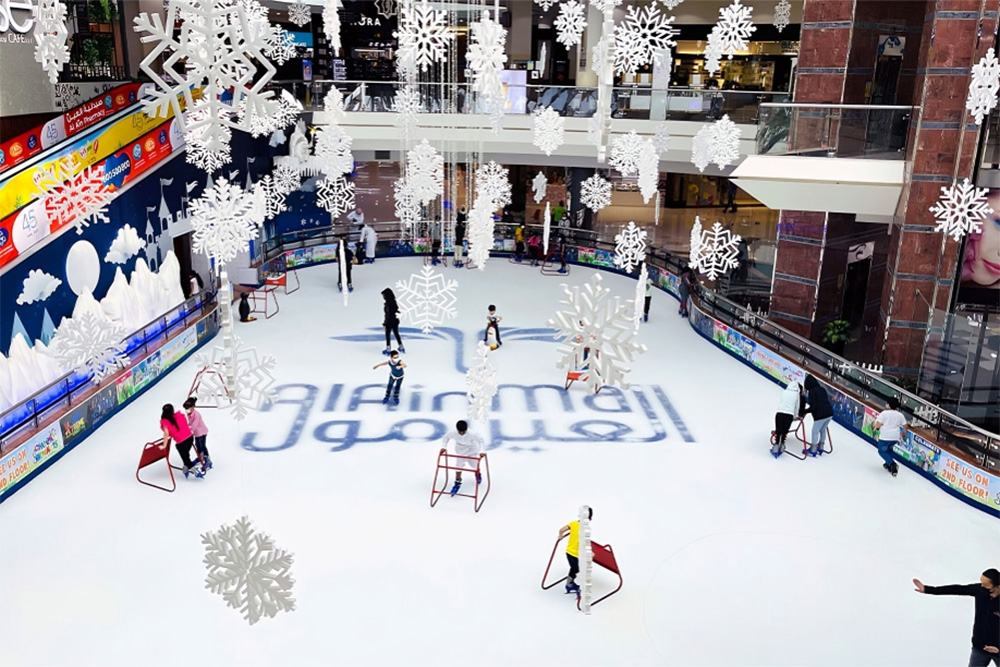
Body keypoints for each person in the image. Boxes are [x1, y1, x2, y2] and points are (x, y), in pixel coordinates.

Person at [913, 569, 1000, 666]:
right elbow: (957, 589)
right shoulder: (979, 590)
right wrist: (928, 589)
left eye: (986, 585)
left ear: (996, 586)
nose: (981, 587)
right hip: (979, 647)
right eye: (981, 583)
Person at [441, 420, 485, 495]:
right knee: (458, 466)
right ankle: (457, 482)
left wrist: (482, 451)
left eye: (463, 431)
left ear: (466, 429)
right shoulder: (453, 433)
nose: (461, 433)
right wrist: (443, 447)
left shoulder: (472, 434)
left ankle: (478, 474)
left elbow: (481, 441)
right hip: (460, 451)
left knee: (474, 465)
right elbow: (445, 438)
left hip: (471, 450)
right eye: (459, 431)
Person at [557, 507, 593, 596]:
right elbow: (586, 542)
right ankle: (569, 584)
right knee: (576, 568)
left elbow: (561, 530)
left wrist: (560, 535)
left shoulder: (574, 524)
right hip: (572, 552)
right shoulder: (585, 529)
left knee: (576, 568)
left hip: (575, 553)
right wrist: (560, 536)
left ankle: (570, 583)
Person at [160, 403, 202, 478]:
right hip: (190, 438)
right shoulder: (180, 416)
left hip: (181, 442)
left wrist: (164, 445)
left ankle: (193, 469)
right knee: (185, 454)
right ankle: (186, 467)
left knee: (184, 455)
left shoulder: (165, 422)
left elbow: (166, 433)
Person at [873, 396, 906, 477]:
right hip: (895, 437)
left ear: (889, 405)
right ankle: (888, 464)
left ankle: (892, 464)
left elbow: (879, 423)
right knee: (889, 450)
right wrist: (904, 432)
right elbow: (905, 424)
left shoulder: (884, 413)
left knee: (882, 451)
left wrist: (875, 428)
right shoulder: (900, 415)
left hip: (885, 437)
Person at [801, 375, 833, 456]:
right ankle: (821, 447)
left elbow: (814, 406)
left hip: (820, 415)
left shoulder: (812, 391)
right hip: (829, 413)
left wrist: (804, 411)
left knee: (815, 431)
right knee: (822, 429)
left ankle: (813, 449)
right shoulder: (822, 389)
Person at [771, 380, 803, 458]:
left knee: (779, 430)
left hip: (780, 412)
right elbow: (796, 406)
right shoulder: (796, 395)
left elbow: (782, 402)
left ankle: (776, 447)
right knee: (784, 431)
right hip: (789, 415)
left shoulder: (784, 392)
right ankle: (781, 446)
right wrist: (795, 416)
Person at [183, 397, 212, 470]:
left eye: (188, 408)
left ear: (193, 407)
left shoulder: (197, 415)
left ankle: (207, 459)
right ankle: (200, 457)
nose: (187, 410)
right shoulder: (189, 414)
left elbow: (194, 426)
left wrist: (188, 432)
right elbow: (190, 423)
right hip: (197, 434)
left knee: (202, 446)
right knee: (197, 445)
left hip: (201, 432)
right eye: (185, 409)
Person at [381, 288, 404, 354]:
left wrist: (385, 323)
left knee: (387, 334)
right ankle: (401, 346)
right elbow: (397, 311)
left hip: (389, 321)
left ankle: (388, 349)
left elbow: (388, 314)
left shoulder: (388, 304)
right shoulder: (394, 302)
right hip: (395, 320)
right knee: (396, 333)